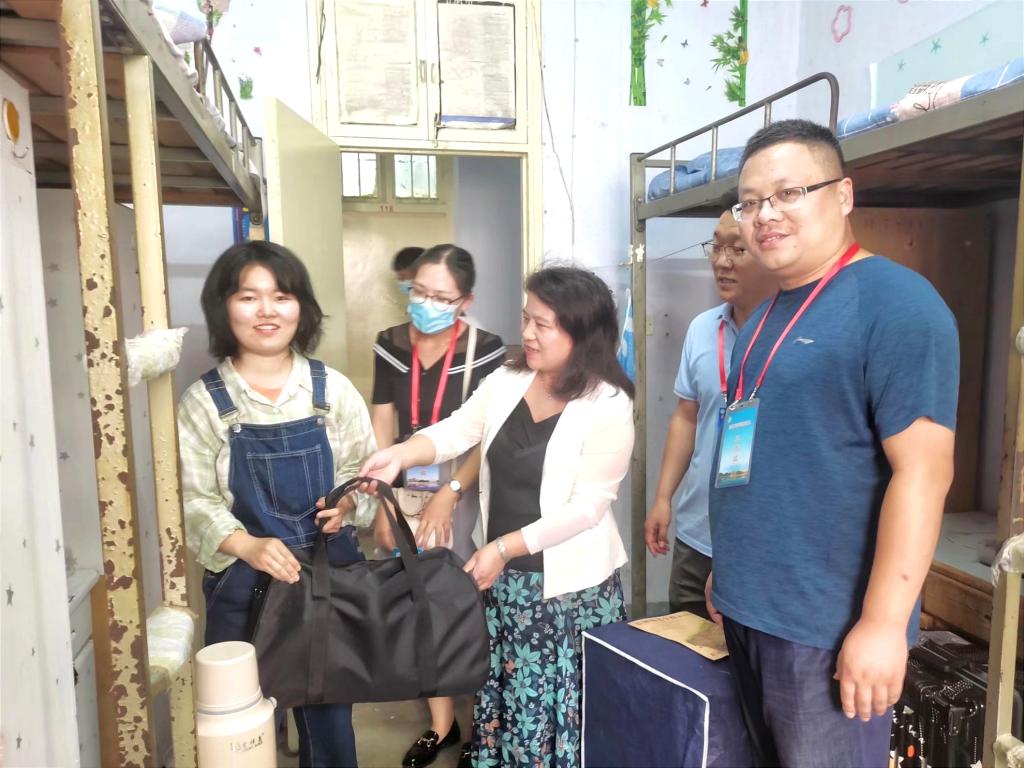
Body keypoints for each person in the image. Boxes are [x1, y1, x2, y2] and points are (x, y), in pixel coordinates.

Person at [706, 119, 958, 766]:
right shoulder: (766, 314)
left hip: (823, 628)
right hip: (748, 608)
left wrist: (882, 624)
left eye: (789, 193)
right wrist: (728, 568)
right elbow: (759, 455)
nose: (766, 215)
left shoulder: (898, 305)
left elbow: (924, 473)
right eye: (751, 202)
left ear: (843, 194)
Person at [361, 266, 635, 768]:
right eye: (526, 319)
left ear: (581, 332)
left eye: (542, 324)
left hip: (568, 593)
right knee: (509, 702)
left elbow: (589, 506)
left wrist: (504, 547)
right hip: (506, 584)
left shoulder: (608, 403)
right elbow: (455, 431)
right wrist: (399, 455)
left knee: (560, 713)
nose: (527, 333)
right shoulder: (509, 380)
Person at [178, 241, 376, 768]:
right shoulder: (204, 402)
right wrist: (247, 545)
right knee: (237, 723)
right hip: (242, 581)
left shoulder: (332, 391)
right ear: (224, 307)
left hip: (327, 577)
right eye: (249, 297)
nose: (267, 311)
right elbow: (192, 500)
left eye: (282, 297)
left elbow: (364, 477)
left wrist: (347, 508)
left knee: (329, 719)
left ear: (301, 308)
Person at [370, 243, 506, 768]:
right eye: (418, 292)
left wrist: (450, 496)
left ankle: (477, 727)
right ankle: (441, 725)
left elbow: (484, 435)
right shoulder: (389, 343)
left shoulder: (486, 349)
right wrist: (384, 505)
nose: (426, 304)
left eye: (441, 297)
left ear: (465, 301)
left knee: (463, 601)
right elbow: (384, 421)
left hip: (464, 480)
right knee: (418, 602)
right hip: (405, 473)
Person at [643, 210, 774, 617]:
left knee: (743, 654)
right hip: (697, 533)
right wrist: (663, 498)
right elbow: (686, 416)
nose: (722, 261)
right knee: (682, 647)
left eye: (737, 249)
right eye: (716, 247)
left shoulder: (792, 335)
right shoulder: (703, 328)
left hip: (761, 542)